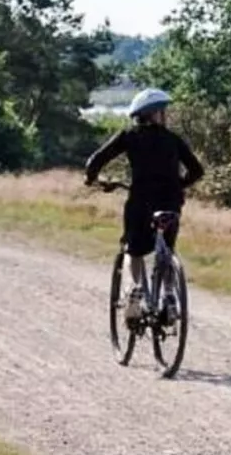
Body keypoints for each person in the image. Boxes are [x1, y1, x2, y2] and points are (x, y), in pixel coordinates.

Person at [84, 88, 205, 325]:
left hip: (140, 202)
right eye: (163, 111)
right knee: (167, 250)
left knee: (133, 250)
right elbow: (197, 171)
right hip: (170, 203)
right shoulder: (172, 139)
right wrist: (178, 184)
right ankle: (169, 294)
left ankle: (135, 290)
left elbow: (96, 160)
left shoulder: (129, 135)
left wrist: (92, 179)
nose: (165, 115)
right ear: (155, 114)